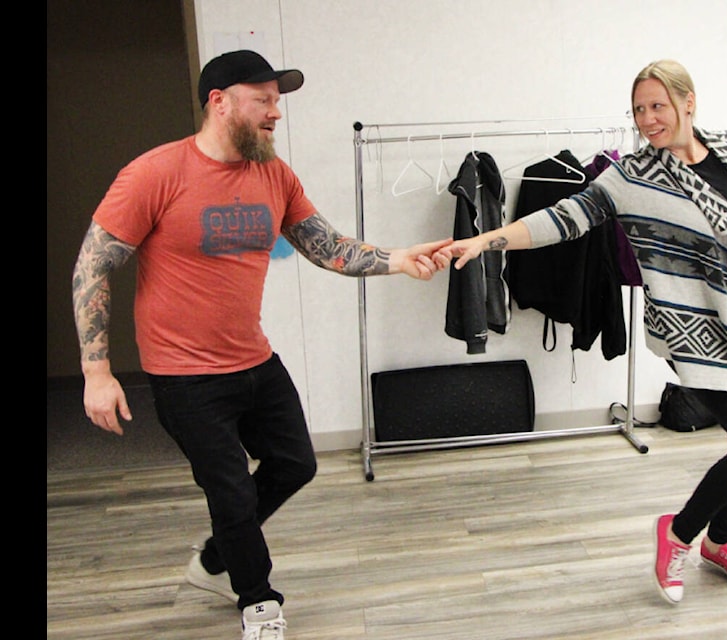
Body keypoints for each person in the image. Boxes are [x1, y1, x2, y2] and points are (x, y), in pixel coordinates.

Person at [432, 59, 727, 605]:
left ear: (688, 102)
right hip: (697, 334)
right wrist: (484, 239)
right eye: (638, 109)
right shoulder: (633, 176)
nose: (647, 119)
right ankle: (678, 533)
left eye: (657, 105)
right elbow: (561, 219)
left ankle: (719, 544)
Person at [71, 49, 450, 639]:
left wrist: (399, 259)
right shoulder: (154, 173)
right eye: (264, 100)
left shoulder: (274, 174)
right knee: (228, 490)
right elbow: (93, 267)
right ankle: (259, 603)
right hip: (183, 375)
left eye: (279, 100)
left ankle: (218, 557)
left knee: (296, 463)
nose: (277, 113)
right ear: (219, 102)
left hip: (252, 359)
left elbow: (327, 247)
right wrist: (97, 371)